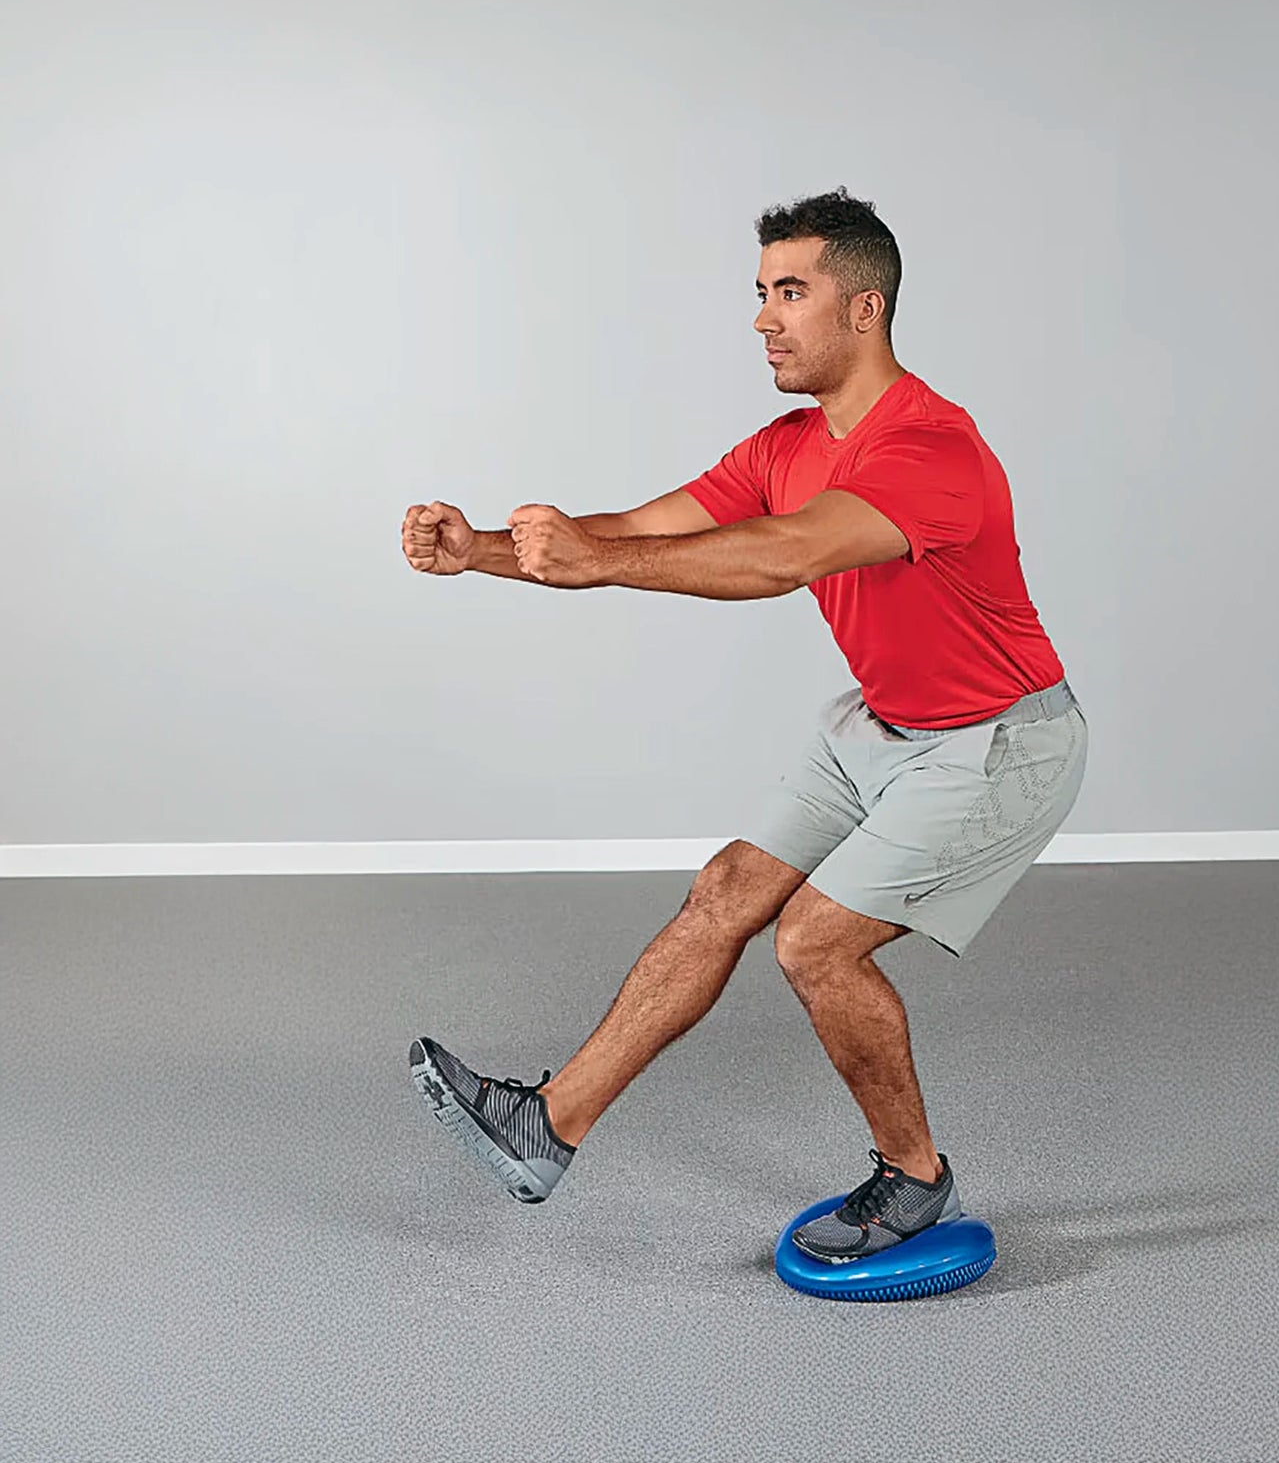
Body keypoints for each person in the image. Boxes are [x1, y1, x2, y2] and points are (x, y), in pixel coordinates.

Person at [402, 186, 1088, 1265]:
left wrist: (601, 561)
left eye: (789, 291)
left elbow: (784, 557)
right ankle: (545, 1128)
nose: (762, 317)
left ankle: (914, 1177)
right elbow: (634, 529)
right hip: (884, 724)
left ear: (864, 310)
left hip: (995, 740)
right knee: (728, 892)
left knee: (815, 943)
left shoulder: (931, 448)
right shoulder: (787, 444)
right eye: (760, 293)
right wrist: (480, 547)